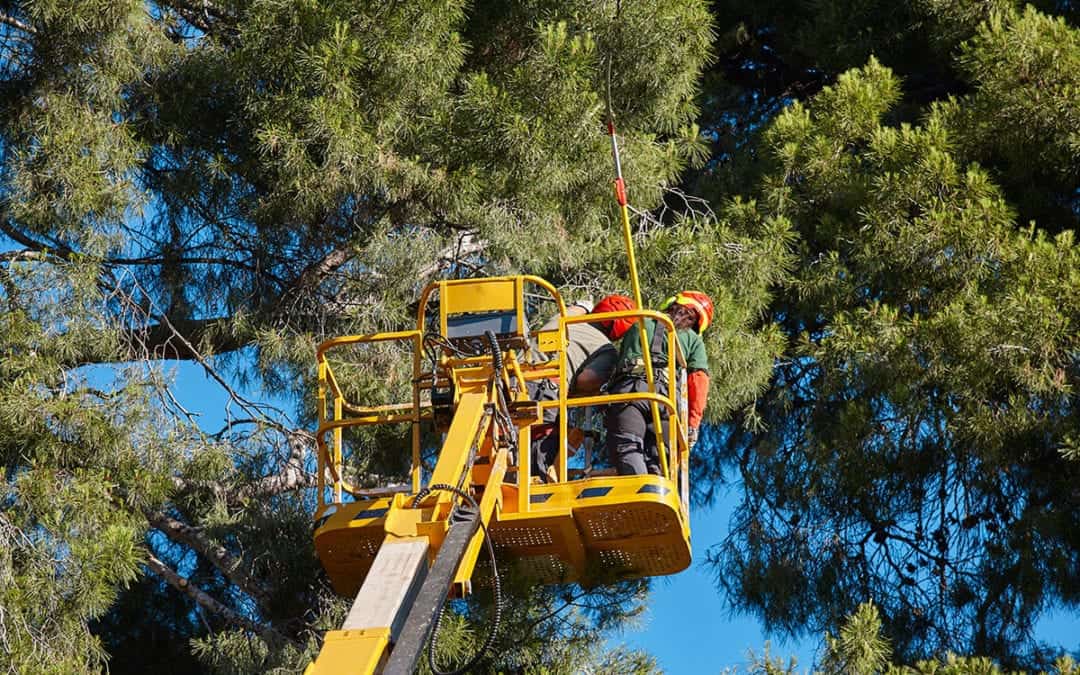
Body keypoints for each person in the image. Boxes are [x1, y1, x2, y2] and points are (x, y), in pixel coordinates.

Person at [605, 291, 713, 476]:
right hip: (666, 402)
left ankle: (640, 487)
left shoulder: (640, 322)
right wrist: (692, 424)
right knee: (659, 459)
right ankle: (651, 486)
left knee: (628, 447)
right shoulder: (694, 340)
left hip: (631, 393)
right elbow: (698, 381)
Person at [529, 296, 630, 481]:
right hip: (545, 392)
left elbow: (568, 312)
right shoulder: (605, 349)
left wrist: (581, 307)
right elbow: (586, 380)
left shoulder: (563, 320)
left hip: (508, 382)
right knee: (540, 445)